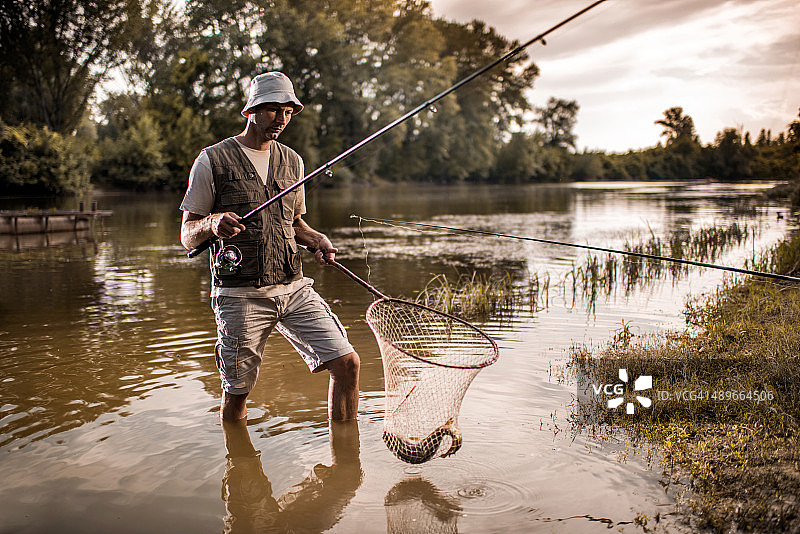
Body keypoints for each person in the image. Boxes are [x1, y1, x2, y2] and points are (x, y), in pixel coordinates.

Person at [179, 71, 359, 422]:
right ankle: (239, 470)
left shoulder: (293, 161)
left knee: (347, 364)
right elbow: (187, 234)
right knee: (237, 394)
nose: (282, 118)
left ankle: (345, 465)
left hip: (294, 287)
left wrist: (316, 239)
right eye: (274, 109)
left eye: (288, 111)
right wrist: (212, 223)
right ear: (252, 110)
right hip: (239, 294)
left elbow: (293, 224)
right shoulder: (211, 160)